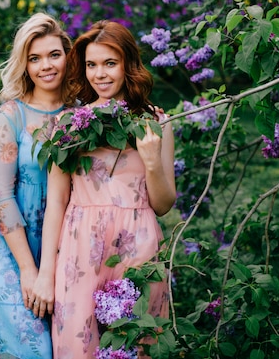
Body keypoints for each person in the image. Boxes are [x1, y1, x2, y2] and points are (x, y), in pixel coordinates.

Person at [31, 20, 176, 358]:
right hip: (81, 248)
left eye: (110, 63)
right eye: (92, 65)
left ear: (128, 64)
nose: (100, 74)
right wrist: (45, 274)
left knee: (139, 343)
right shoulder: (68, 126)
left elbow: (165, 204)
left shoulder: (155, 122)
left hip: (138, 248)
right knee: (79, 343)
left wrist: (152, 160)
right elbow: (56, 202)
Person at [0, 12, 73, 359]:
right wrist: (29, 270)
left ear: (67, 55)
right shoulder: (10, 116)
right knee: (30, 345)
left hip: (61, 236)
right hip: (11, 240)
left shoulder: (80, 113)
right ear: (24, 64)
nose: (45, 66)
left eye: (53, 55)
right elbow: (1, 196)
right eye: (34, 58)